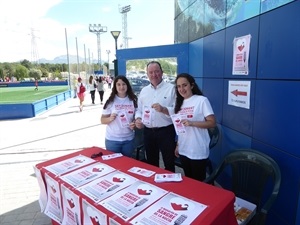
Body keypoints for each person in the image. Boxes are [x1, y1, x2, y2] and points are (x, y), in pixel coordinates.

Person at [171, 73, 216, 181]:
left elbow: (212, 123)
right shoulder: (179, 104)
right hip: (184, 148)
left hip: (198, 149)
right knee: (189, 181)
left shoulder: (201, 100)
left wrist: (192, 123)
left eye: (184, 85)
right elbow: (180, 128)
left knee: (199, 183)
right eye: (178, 86)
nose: (181, 89)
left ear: (191, 85)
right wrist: (178, 145)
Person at [135, 61, 176, 172]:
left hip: (166, 132)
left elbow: (178, 111)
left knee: (169, 163)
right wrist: (138, 118)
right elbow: (139, 110)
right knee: (152, 164)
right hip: (148, 132)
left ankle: (171, 187)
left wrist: (164, 109)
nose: (154, 75)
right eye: (151, 72)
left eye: (157, 71)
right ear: (147, 74)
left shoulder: (172, 89)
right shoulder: (144, 91)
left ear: (162, 72)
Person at [101, 75, 138, 157]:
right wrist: (110, 118)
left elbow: (137, 117)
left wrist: (134, 123)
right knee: (114, 165)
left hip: (128, 140)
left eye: (124, 84)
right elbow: (102, 120)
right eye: (119, 84)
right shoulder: (110, 101)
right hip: (112, 140)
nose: (121, 87)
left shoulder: (133, 100)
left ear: (127, 85)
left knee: (127, 165)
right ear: (115, 86)